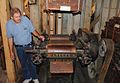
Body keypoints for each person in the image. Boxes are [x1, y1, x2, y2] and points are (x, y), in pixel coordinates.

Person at [6, 7, 44, 83]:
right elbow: (10, 38)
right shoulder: (9, 24)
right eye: (16, 17)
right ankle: (27, 77)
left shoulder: (25, 20)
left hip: (29, 45)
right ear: (11, 17)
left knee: (32, 62)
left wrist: (39, 36)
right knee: (23, 63)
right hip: (19, 47)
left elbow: (32, 30)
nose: (19, 18)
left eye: (19, 16)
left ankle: (34, 77)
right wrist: (11, 51)